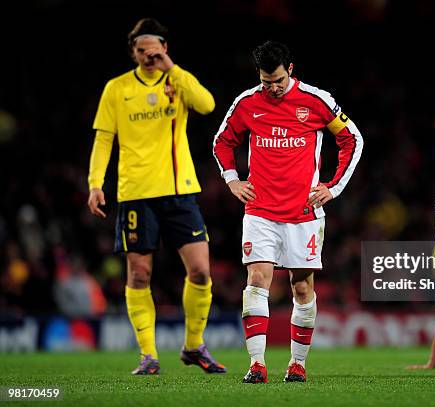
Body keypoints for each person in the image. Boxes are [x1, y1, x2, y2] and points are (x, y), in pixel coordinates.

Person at [212, 41, 363, 383]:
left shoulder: (316, 101)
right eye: (266, 82)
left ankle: (297, 364)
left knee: (301, 289)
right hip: (260, 209)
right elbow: (222, 141)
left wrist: (333, 187)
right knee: (257, 280)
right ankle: (256, 364)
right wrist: (233, 179)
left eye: (278, 80)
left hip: (303, 212)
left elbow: (352, 139)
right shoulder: (248, 103)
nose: (273, 88)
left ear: (290, 70)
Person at [87, 18, 225, 375]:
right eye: (141, 50)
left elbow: (207, 104)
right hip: (136, 194)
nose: (148, 55)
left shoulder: (177, 80)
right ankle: (148, 355)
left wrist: (171, 68)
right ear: (133, 52)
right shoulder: (117, 89)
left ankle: (194, 345)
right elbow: (104, 138)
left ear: (164, 48)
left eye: (154, 49)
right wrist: (95, 183)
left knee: (200, 271)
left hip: (180, 191)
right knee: (139, 274)